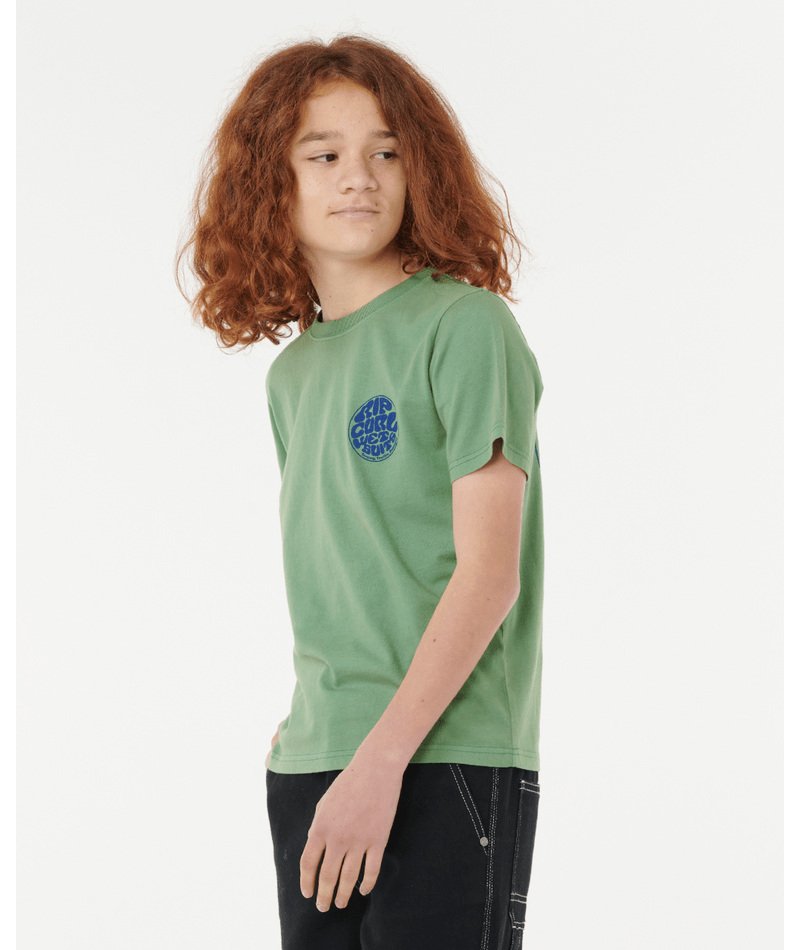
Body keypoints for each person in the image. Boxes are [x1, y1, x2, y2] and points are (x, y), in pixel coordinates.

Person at [176, 33, 545, 950]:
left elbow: (489, 574)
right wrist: (315, 735)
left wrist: (380, 761)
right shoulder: (292, 378)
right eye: (325, 155)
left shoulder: (464, 327)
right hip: (316, 760)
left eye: (386, 152)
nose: (360, 179)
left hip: (443, 755)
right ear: (273, 181)